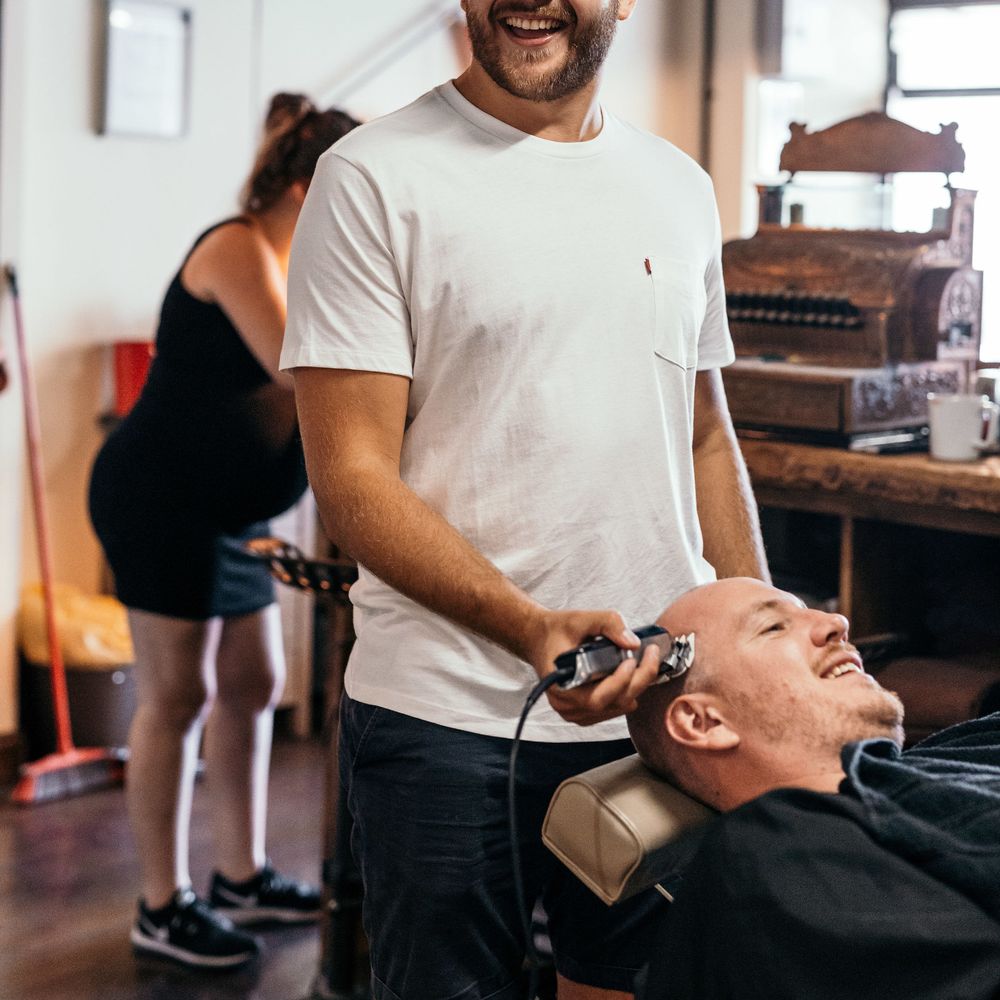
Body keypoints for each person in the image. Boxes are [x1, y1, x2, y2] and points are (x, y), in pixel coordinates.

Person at [281, 2, 769, 997]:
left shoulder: (675, 186)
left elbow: (705, 434)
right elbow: (352, 478)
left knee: (639, 984)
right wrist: (528, 625)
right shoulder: (374, 176)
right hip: (444, 725)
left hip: (654, 712)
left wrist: (758, 627)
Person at [88, 93, 361, 971]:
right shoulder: (237, 248)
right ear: (303, 184)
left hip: (232, 515)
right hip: (160, 499)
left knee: (254, 681)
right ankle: (161, 905)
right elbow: (301, 367)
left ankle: (241, 874)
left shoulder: (300, 261)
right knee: (178, 697)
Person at [626, 577, 1000, 1000]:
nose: (837, 621)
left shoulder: (959, 749)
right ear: (704, 722)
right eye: (773, 627)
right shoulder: (771, 855)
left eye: (809, 611)